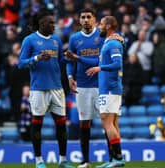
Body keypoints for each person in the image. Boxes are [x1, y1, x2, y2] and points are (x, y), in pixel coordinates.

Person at [18, 10, 74, 168]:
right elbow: (21, 63)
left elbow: (61, 62)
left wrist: (67, 57)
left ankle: (63, 160)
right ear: (42, 24)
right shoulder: (29, 40)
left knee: (61, 125)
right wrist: (36, 58)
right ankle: (39, 161)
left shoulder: (56, 40)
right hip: (38, 89)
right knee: (37, 125)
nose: (54, 25)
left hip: (57, 88)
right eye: (50, 22)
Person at [65, 8, 104, 168]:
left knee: (107, 123)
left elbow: (101, 62)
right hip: (82, 86)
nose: (86, 19)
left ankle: (113, 159)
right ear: (79, 20)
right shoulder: (74, 39)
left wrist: (78, 58)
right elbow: (69, 60)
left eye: (89, 17)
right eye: (83, 17)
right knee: (84, 123)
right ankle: (85, 161)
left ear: (94, 19)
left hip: (101, 85)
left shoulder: (102, 36)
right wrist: (69, 77)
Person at [86, 16, 125, 168]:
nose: (98, 26)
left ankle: (117, 159)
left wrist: (99, 68)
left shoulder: (113, 43)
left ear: (108, 26)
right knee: (112, 123)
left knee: (106, 121)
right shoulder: (109, 43)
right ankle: (113, 159)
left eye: (101, 24)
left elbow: (117, 64)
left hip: (110, 89)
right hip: (109, 89)